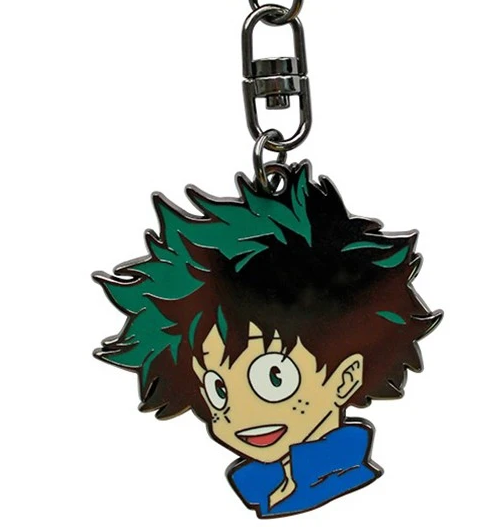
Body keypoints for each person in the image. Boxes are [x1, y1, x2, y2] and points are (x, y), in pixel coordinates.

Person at [93, 161, 442, 518]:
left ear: (346, 377)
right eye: (218, 390)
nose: (238, 413)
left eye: (274, 379)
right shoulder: (258, 484)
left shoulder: (343, 483)